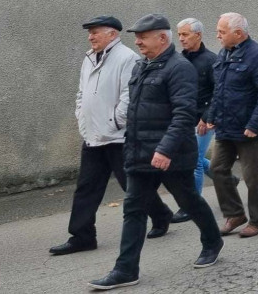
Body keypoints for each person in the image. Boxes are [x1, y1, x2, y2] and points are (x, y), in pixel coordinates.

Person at [88, 14, 222, 290]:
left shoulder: (180, 68)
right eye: (136, 36)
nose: (137, 41)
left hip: (170, 155)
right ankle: (125, 270)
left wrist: (165, 149)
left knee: (189, 201)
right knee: (133, 209)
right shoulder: (141, 67)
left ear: (162, 38)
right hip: (139, 154)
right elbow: (136, 113)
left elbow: (184, 114)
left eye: (142, 36)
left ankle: (212, 240)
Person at [50, 16, 172, 257]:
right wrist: (81, 116)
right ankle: (82, 236)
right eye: (90, 33)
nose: (90, 37)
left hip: (118, 136)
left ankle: (160, 215)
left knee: (131, 184)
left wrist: (116, 121)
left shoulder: (127, 58)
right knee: (86, 187)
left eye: (96, 32)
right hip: (93, 134)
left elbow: (131, 94)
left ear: (113, 34)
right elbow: (82, 93)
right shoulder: (88, 58)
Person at [208, 13, 258, 238]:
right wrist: (211, 116)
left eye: (222, 31)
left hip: (248, 129)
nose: (217, 35)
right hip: (225, 127)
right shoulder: (224, 53)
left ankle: (257, 222)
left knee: (252, 179)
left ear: (238, 33)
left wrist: (255, 124)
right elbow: (219, 89)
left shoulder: (257, 55)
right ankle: (235, 214)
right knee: (217, 169)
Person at [170, 18, 219, 224]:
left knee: (194, 161)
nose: (181, 39)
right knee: (194, 157)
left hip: (203, 121)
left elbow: (219, 92)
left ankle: (191, 205)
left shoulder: (211, 60)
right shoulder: (179, 60)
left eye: (185, 34)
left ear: (198, 35)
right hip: (183, 118)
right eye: (179, 34)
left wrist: (206, 117)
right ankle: (223, 177)